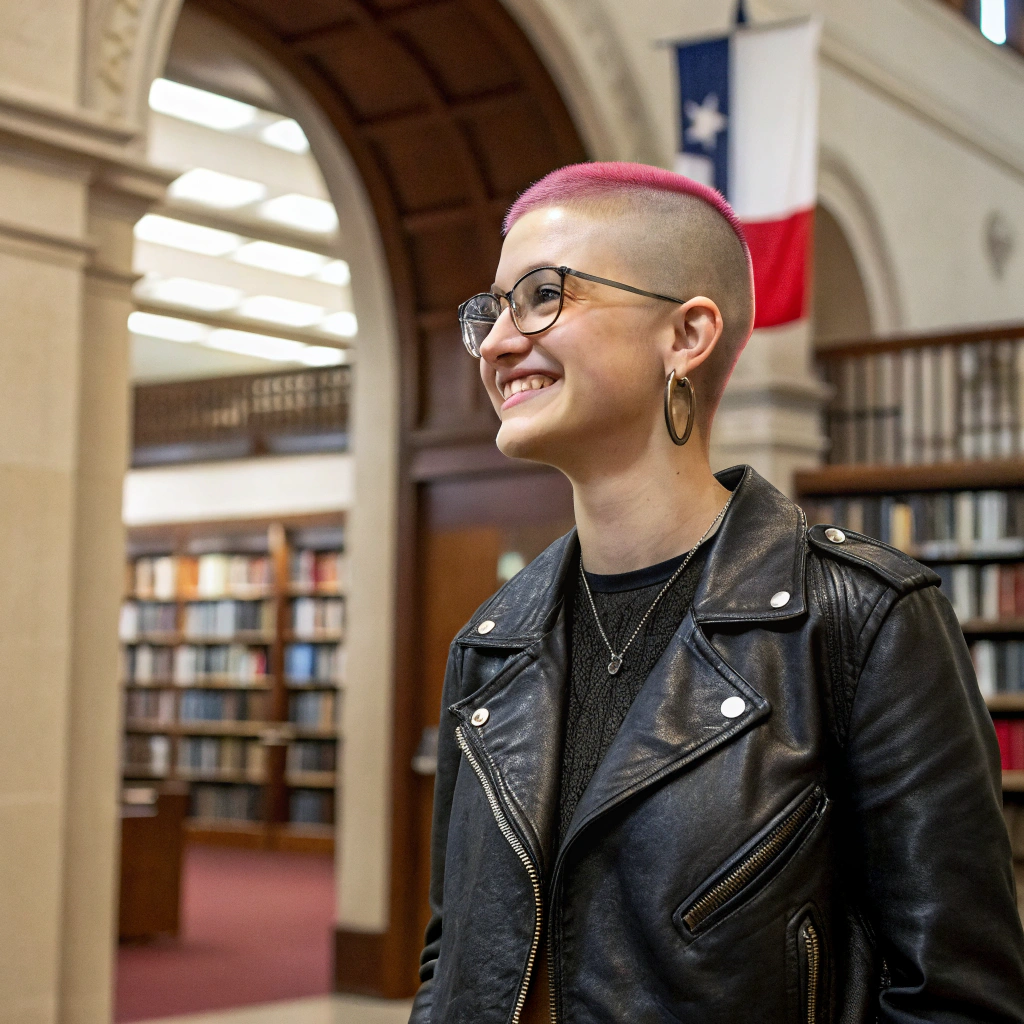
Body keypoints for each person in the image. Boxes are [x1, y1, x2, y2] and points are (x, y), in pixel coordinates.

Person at [408, 162, 1024, 1023]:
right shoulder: (492, 641)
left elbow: (957, 996)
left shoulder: (863, 617)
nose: (499, 342)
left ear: (687, 334)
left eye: (544, 296)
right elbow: (454, 954)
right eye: (493, 309)